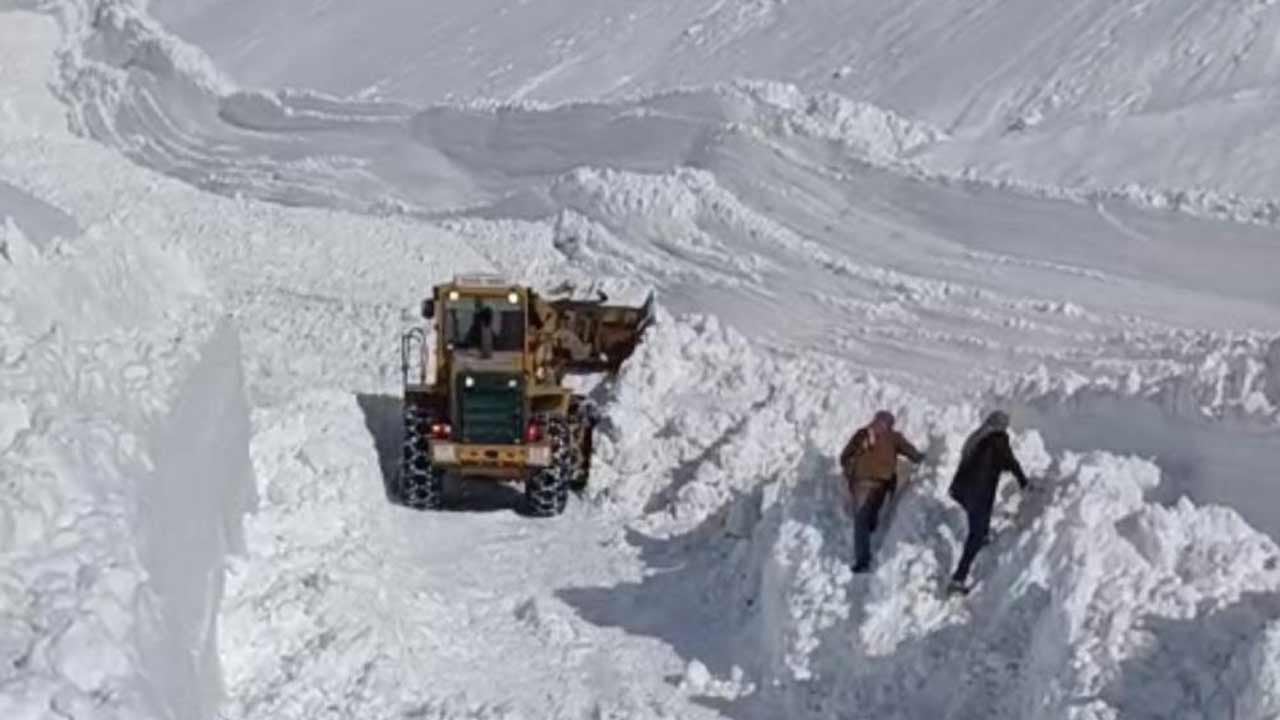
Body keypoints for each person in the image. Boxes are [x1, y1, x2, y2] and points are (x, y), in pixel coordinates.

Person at [946, 410, 1031, 595]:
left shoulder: (979, 436)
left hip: (962, 490)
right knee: (974, 535)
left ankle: (983, 535)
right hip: (979, 492)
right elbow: (1010, 461)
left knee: (979, 524)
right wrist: (1024, 482)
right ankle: (958, 579)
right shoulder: (997, 438)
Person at [840, 410, 926, 573]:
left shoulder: (863, 434)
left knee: (861, 521)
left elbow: (844, 457)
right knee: (868, 517)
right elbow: (911, 453)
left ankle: (863, 561)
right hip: (882, 485)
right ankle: (869, 540)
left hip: (863, 483)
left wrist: (850, 467)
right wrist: (923, 458)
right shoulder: (893, 437)